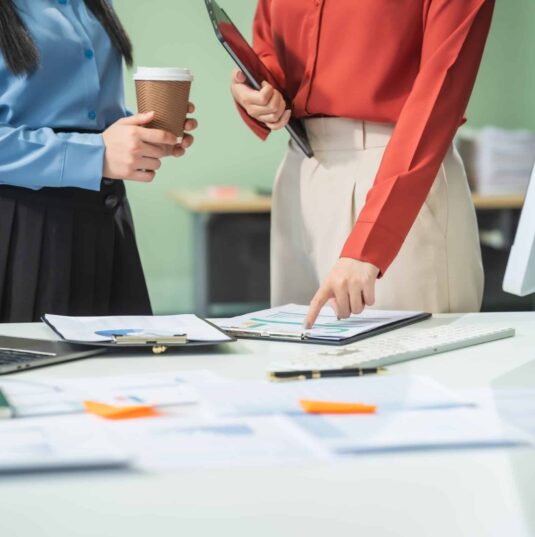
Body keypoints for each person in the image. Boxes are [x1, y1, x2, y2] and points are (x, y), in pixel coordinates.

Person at [231, 0, 495, 328]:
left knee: (411, 369)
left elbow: (438, 96)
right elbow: (272, 46)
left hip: (399, 176)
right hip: (299, 172)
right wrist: (257, 93)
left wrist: (370, 244)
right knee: (297, 365)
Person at [0, 0, 197, 322]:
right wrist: (96, 153)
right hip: (22, 224)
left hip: (105, 215)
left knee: (117, 366)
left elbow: (89, 118)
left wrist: (141, 135)